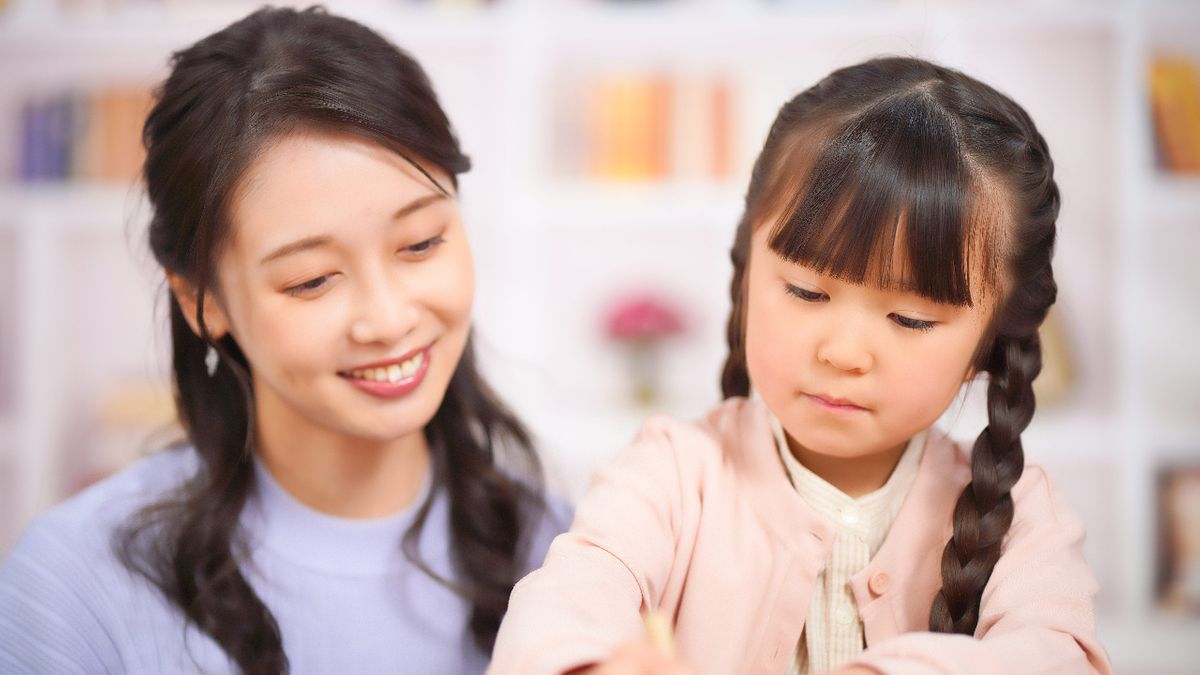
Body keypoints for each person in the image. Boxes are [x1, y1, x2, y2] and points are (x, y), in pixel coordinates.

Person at [490, 56, 1111, 674]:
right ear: (747, 268)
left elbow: (1054, 655)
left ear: (990, 345)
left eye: (910, 319)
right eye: (808, 293)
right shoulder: (673, 475)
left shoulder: (1023, 514)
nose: (842, 353)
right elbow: (568, 599)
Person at [0, 7, 564, 674]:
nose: (386, 318)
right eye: (312, 280)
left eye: (420, 243)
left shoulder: (565, 552)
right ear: (200, 300)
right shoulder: (77, 584)